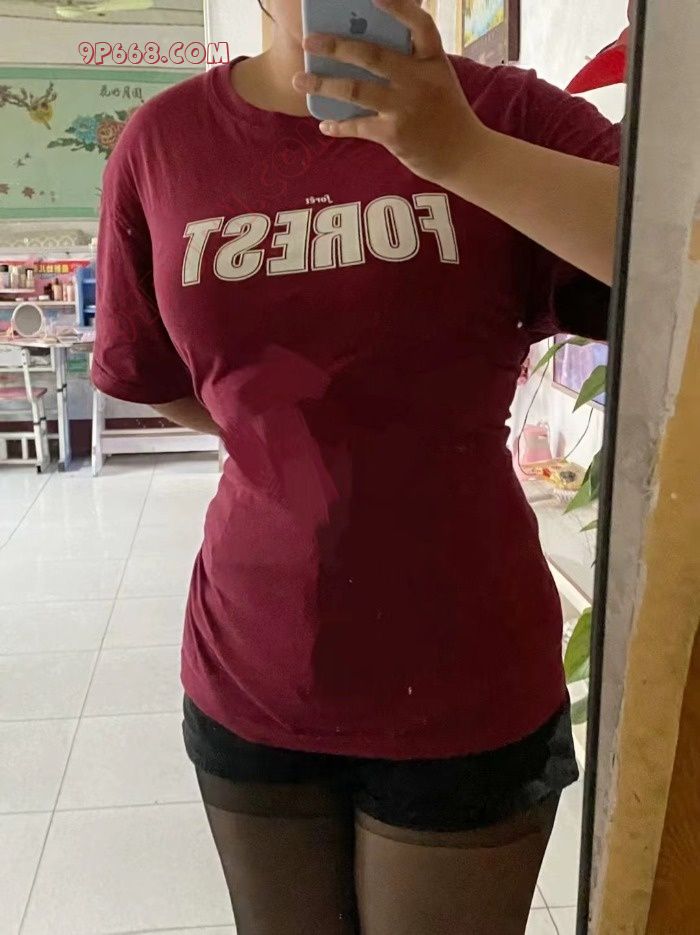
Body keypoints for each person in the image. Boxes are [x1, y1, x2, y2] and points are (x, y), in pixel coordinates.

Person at [92, 1, 620, 932]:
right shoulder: (163, 143)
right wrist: (293, 439)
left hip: (464, 669)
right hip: (253, 659)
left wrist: (462, 154)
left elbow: (674, 257)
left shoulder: (503, 114)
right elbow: (155, 375)